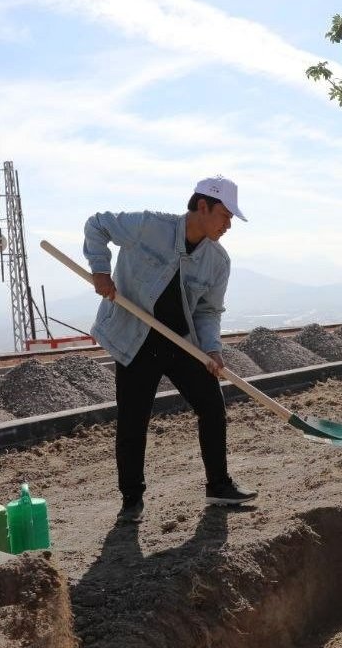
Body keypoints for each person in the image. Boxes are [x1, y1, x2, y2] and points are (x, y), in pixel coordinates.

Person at [85, 176, 258, 524]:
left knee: (212, 406)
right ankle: (131, 500)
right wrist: (100, 270)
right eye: (225, 216)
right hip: (136, 338)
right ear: (203, 206)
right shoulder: (150, 226)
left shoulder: (218, 261)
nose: (228, 225)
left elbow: (208, 311)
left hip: (181, 341)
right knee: (133, 419)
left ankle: (219, 486)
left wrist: (212, 349)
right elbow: (97, 224)